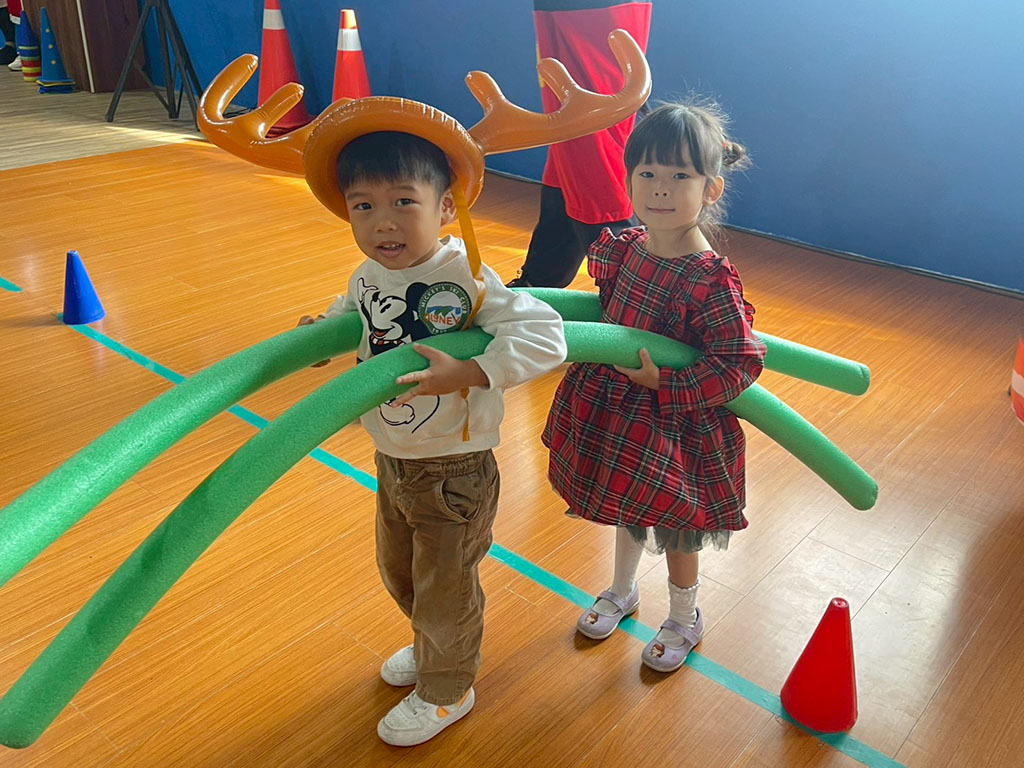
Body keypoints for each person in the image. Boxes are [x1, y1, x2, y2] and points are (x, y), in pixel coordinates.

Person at [301, 131, 567, 745]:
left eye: (403, 201)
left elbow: (546, 336)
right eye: (363, 205)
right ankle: (433, 648)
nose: (383, 222)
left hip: (454, 469)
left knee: (445, 588)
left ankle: (448, 687)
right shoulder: (368, 274)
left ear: (446, 207)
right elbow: (351, 317)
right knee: (400, 571)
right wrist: (318, 337)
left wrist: (470, 371)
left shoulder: (467, 277)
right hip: (394, 456)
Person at [542, 102, 766, 672]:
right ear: (628, 178)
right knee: (627, 502)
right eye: (647, 173)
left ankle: (684, 616)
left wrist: (666, 380)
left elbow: (738, 362)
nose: (660, 189)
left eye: (679, 175)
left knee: (676, 524)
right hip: (617, 412)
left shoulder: (710, 278)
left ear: (710, 189)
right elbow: (605, 313)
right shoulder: (624, 249)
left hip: (676, 423)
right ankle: (622, 589)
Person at [506, 0, 652, 289]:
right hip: (568, 11)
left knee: (591, 144)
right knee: (568, 147)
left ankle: (641, 294)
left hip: (591, 11)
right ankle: (539, 283)